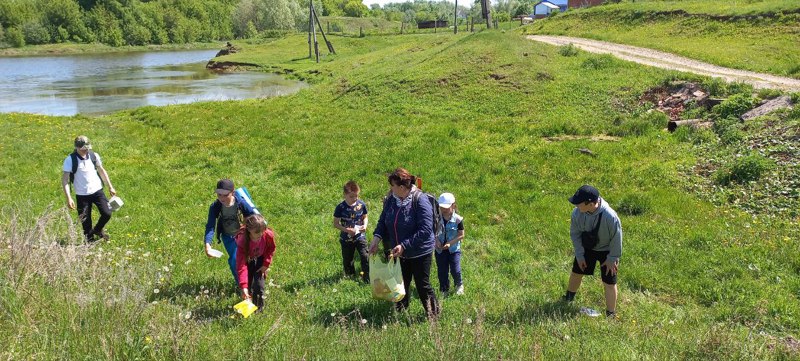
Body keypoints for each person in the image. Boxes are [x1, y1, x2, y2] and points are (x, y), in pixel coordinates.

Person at [369, 168, 439, 319]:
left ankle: (433, 315)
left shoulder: (420, 200)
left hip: (420, 251)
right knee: (400, 283)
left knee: (422, 285)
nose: (390, 189)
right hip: (398, 251)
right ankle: (400, 314)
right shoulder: (391, 199)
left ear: (402, 187)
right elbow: (383, 221)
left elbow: (426, 230)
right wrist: (376, 239)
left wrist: (404, 245)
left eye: (392, 186)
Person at [563, 185, 623, 318]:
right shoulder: (577, 213)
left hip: (608, 251)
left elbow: (617, 239)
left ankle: (611, 314)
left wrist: (612, 258)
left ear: (590, 204)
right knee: (576, 273)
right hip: (587, 247)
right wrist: (579, 255)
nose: (576, 206)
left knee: (609, 282)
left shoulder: (610, 216)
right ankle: (568, 298)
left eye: (579, 203)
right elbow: (575, 234)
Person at [61, 135, 117, 242]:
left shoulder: (93, 155)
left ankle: (97, 230)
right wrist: (69, 198)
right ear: (77, 147)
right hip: (82, 195)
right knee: (86, 223)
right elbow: (65, 180)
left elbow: (101, 171)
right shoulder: (70, 160)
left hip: (97, 191)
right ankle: (89, 245)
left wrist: (110, 186)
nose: (85, 151)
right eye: (83, 149)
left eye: (87, 148)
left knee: (107, 213)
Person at [204, 179, 251, 283]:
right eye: (219, 194)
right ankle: (242, 285)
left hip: (243, 235)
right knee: (235, 260)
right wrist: (208, 244)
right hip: (228, 237)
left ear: (232, 192)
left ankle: (251, 281)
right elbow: (210, 226)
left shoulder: (241, 203)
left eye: (225, 195)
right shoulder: (215, 207)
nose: (221, 198)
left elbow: (253, 215)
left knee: (248, 259)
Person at [235, 214, 276, 310]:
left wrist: (266, 263)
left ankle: (259, 309)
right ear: (249, 230)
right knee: (248, 286)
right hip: (248, 260)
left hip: (261, 259)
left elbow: (271, 248)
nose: (261, 235)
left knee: (259, 285)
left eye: (262, 231)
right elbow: (241, 266)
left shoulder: (267, 234)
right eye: (257, 233)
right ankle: (248, 306)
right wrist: (244, 287)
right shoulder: (242, 241)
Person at [333, 180, 369, 282]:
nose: (355, 199)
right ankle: (350, 276)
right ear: (345, 195)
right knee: (348, 258)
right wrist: (346, 229)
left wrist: (365, 225)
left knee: (365, 255)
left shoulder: (361, 205)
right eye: (351, 196)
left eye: (356, 196)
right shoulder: (340, 207)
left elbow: (365, 217)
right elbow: (335, 223)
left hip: (360, 236)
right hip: (346, 238)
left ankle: (367, 276)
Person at [434, 192, 465, 297]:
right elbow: (432, 232)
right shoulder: (437, 218)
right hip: (440, 250)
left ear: (453, 205)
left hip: (453, 249)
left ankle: (459, 285)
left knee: (455, 269)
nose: (444, 210)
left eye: (446, 207)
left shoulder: (458, 220)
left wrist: (450, 243)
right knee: (442, 270)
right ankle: (444, 289)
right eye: (441, 207)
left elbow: (461, 235)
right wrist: (436, 240)